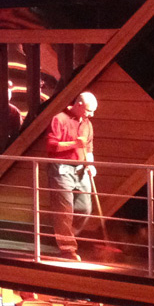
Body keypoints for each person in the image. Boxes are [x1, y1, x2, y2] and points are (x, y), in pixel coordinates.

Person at [45, 91, 98, 261]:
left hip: (80, 168)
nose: (91, 114)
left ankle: (65, 237)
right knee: (64, 210)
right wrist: (75, 143)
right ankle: (67, 249)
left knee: (85, 208)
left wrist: (91, 165)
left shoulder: (87, 123)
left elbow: (89, 148)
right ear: (79, 105)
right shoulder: (59, 119)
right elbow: (52, 146)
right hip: (61, 168)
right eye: (89, 110)